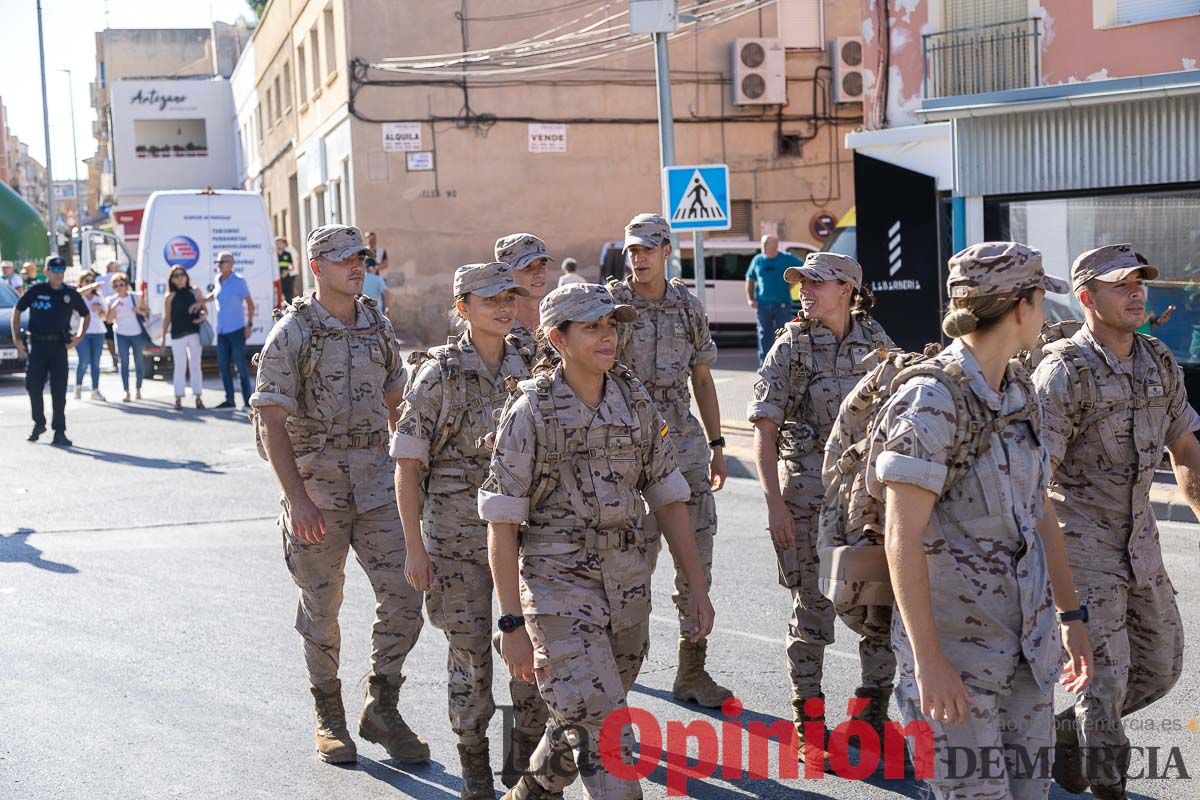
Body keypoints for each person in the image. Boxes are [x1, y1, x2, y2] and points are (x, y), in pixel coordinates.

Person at [869, 242, 1092, 798]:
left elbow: (1039, 509)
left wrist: (1072, 615)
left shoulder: (1020, 392)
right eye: (1042, 300)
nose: (1046, 315)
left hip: (1027, 650)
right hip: (956, 662)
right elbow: (902, 538)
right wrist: (929, 661)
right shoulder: (930, 402)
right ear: (1021, 306)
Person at [480, 283, 715, 800]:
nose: (608, 337)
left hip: (627, 589)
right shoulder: (530, 413)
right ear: (556, 338)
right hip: (556, 591)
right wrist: (511, 623)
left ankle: (530, 793)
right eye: (592, 328)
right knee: (610, 737)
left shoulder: (634, 399)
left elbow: (669, 496)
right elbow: (502, 525)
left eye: (611, 326)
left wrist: (695, 585)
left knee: (581, 720)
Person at [251, 224, 426, 766]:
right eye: (344, 258)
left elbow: (399, 399)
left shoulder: (376, 324)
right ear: (316, 267)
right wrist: (296, 497)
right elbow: (271, 419)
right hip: (318, 488)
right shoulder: (293, 332)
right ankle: (328, 710)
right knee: (322, 605)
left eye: (362, 257)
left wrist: (412, 471)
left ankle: (383, 704)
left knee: (405, 591)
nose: (357, 266)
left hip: (376, 482)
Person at [1032, 244, 1200, 800]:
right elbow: (1033, 483)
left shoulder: (1158, 360)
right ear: (1086, 297)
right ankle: (1110, 788)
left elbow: (1185, 450)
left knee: (1161, 666)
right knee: (1102, 691)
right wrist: (1054, 589)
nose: (1136, 292)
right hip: (1082, 552)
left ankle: (1062, 732)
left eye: (1139, 282)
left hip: (1141, 545)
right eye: (1119, 284)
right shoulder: (1064, 373)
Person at [392, 262, 535, 799]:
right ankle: (474, 766)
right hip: (455, 543)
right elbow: (407, 466)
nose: (505, 306)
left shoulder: (530, 360)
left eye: (510, 297)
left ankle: (521, 767)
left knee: (528, 656)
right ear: (462, 308)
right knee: (472, 659)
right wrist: (415, 547)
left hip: (520, 541)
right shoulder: (439, 374)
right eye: (490, 298)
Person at [748, 252, 896, 758]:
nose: (805, 290)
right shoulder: (791, 345)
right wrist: (774, 507)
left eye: (817, 282)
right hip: (807, 500)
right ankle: (808, 730)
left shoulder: (876, 342)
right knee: (811, 612)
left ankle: (871, 717)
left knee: (878, 607)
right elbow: (763, 434)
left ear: (848, 289)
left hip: (864, 504)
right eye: (801, 282)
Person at [608, 213, 730, 708]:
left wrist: (719, 445)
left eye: (647, 248)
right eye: (632, 249)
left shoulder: (687, 306)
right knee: (627, 565)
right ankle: (615, 675)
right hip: (623, 443)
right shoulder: (610, 305)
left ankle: (692, 670)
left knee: (695, 556)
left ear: (666, 250)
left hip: (683, 443)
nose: (638, 258)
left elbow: (702, 377)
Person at [12, 256, 90, 446]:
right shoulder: (36, 291)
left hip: (58, 347)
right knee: (33, 386)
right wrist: (16, 338)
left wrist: (79, 337)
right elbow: (17, 310)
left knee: (59, 390)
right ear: (46, 271)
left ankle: (60, 431)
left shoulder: (70, 294)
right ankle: (39, 423)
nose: (58, 275)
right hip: (38, 346)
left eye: (61, 271)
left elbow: (85, 315)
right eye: (55, 271)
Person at [207, 251, 256, 409]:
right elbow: (215, 295)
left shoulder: (239, 281)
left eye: (222, 262)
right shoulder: (218, 279)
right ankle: (230, 399)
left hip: (236, 330)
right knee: (222, 365)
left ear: (231, 263)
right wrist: (200, 300)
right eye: (218, 262)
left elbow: (250, 304)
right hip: (222, 331)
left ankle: (247, 400)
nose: (219, 265)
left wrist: (249, 325)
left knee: (240, 366)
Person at [746, 235, 804, 363]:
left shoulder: (786, 258)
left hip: (782, 304)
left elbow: (803, 269)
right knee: (764, 335)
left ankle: (785, 363)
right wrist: (751, 299)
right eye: (762, 243)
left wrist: (792, 284)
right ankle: (765, 364)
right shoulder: (758, 260)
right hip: (763, 305)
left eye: (766, 243)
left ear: (775, 245)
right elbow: (750, 279)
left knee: (784, 334)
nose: (763, 246)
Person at [494, 233, 554, 356]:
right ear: (507, 274)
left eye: (542, 264)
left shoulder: (559, 326)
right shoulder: (496, 332)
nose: (539, 274)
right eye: (527, 266)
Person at [161, 266, 206, 410]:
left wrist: (202, 315)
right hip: (177, 334)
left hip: (194, 333)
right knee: (180, 366)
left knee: (195, 365)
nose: (180, 278)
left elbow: (205, 309)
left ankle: (198, 396)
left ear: (186, 276)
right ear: (172, 280)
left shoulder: (195, 291)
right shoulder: (170, 297)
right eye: (176, 276)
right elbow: (167, 318)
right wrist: (162, 339)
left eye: (182, 274)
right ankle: (178, 397)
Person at [106, 274, 150, 403]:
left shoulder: (136, 297)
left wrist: (138, 310)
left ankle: (138, 389)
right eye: (116, 285)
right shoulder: (111, 300)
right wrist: (114, 307)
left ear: (126, 285)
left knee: (139, 361)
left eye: (121, 284)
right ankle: (126, 391)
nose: (119, 288)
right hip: (120, 334)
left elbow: (147, 312)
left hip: (137, 333)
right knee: (123, 362)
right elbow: (108, 320)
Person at [73, 271, 108, 401]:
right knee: (83, 361)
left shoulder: (98, 297)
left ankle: (95, 390)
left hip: (98, 332)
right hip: (82, 333)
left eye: (91, 281)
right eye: (86, 281)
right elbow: (78, 294)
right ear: (81, 282)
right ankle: (78, 386)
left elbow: (105, 316)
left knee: (95, 363)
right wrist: (91, 287)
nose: (90, 284)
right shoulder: (78, 297)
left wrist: (99, 310)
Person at [97, 261, 123, 371]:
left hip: (105, 309)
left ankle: (114, 357)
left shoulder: (99, 279)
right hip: (118, 308)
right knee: (115, 334)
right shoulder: (120, 278)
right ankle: (118, 357)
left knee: (109, 336)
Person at [277, 237, 297, 303]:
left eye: (280, 243)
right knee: (278, 299)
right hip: (277, 279)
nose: (279, 245)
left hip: (287, 279)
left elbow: (292, 267)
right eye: (277, 243)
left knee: (289, 297)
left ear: (284, 244)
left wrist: (287, 272)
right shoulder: (273, 255)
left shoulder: (287, 254)